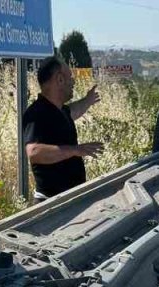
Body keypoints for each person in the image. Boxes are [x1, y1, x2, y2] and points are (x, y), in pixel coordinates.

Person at [22, 57, 103, 201]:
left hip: (68, 200)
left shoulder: (61, 111)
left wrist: (88, 100)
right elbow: (34, 152)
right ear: (59, 79)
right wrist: (75, 150)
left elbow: (75, 110)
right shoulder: (36, 113)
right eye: (70, 77)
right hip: (50, 205)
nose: (73, 82)